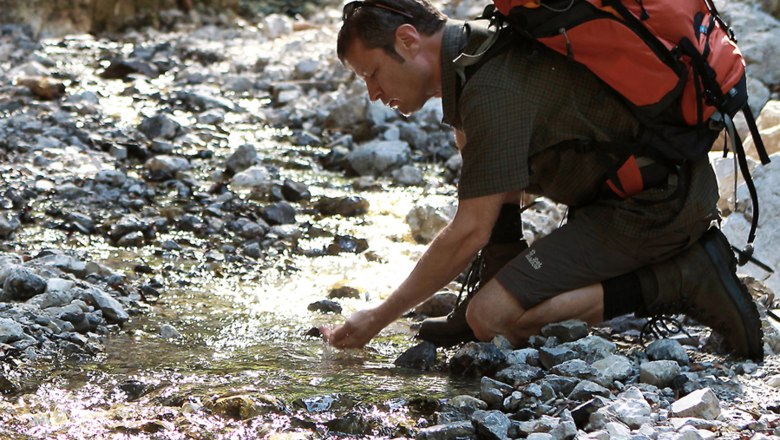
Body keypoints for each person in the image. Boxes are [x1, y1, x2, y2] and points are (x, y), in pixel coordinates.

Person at [320, 0, 764, 360]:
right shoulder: (479, 46)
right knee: (467, 136)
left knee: (491, 318)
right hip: (638, 189)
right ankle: (500, 266)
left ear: (407, 39)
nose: (373, 94)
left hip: (654, 206)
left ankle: (680, 277)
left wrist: (379, 317)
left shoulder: (490, 91)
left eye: (372, 74)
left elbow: (468, 230)